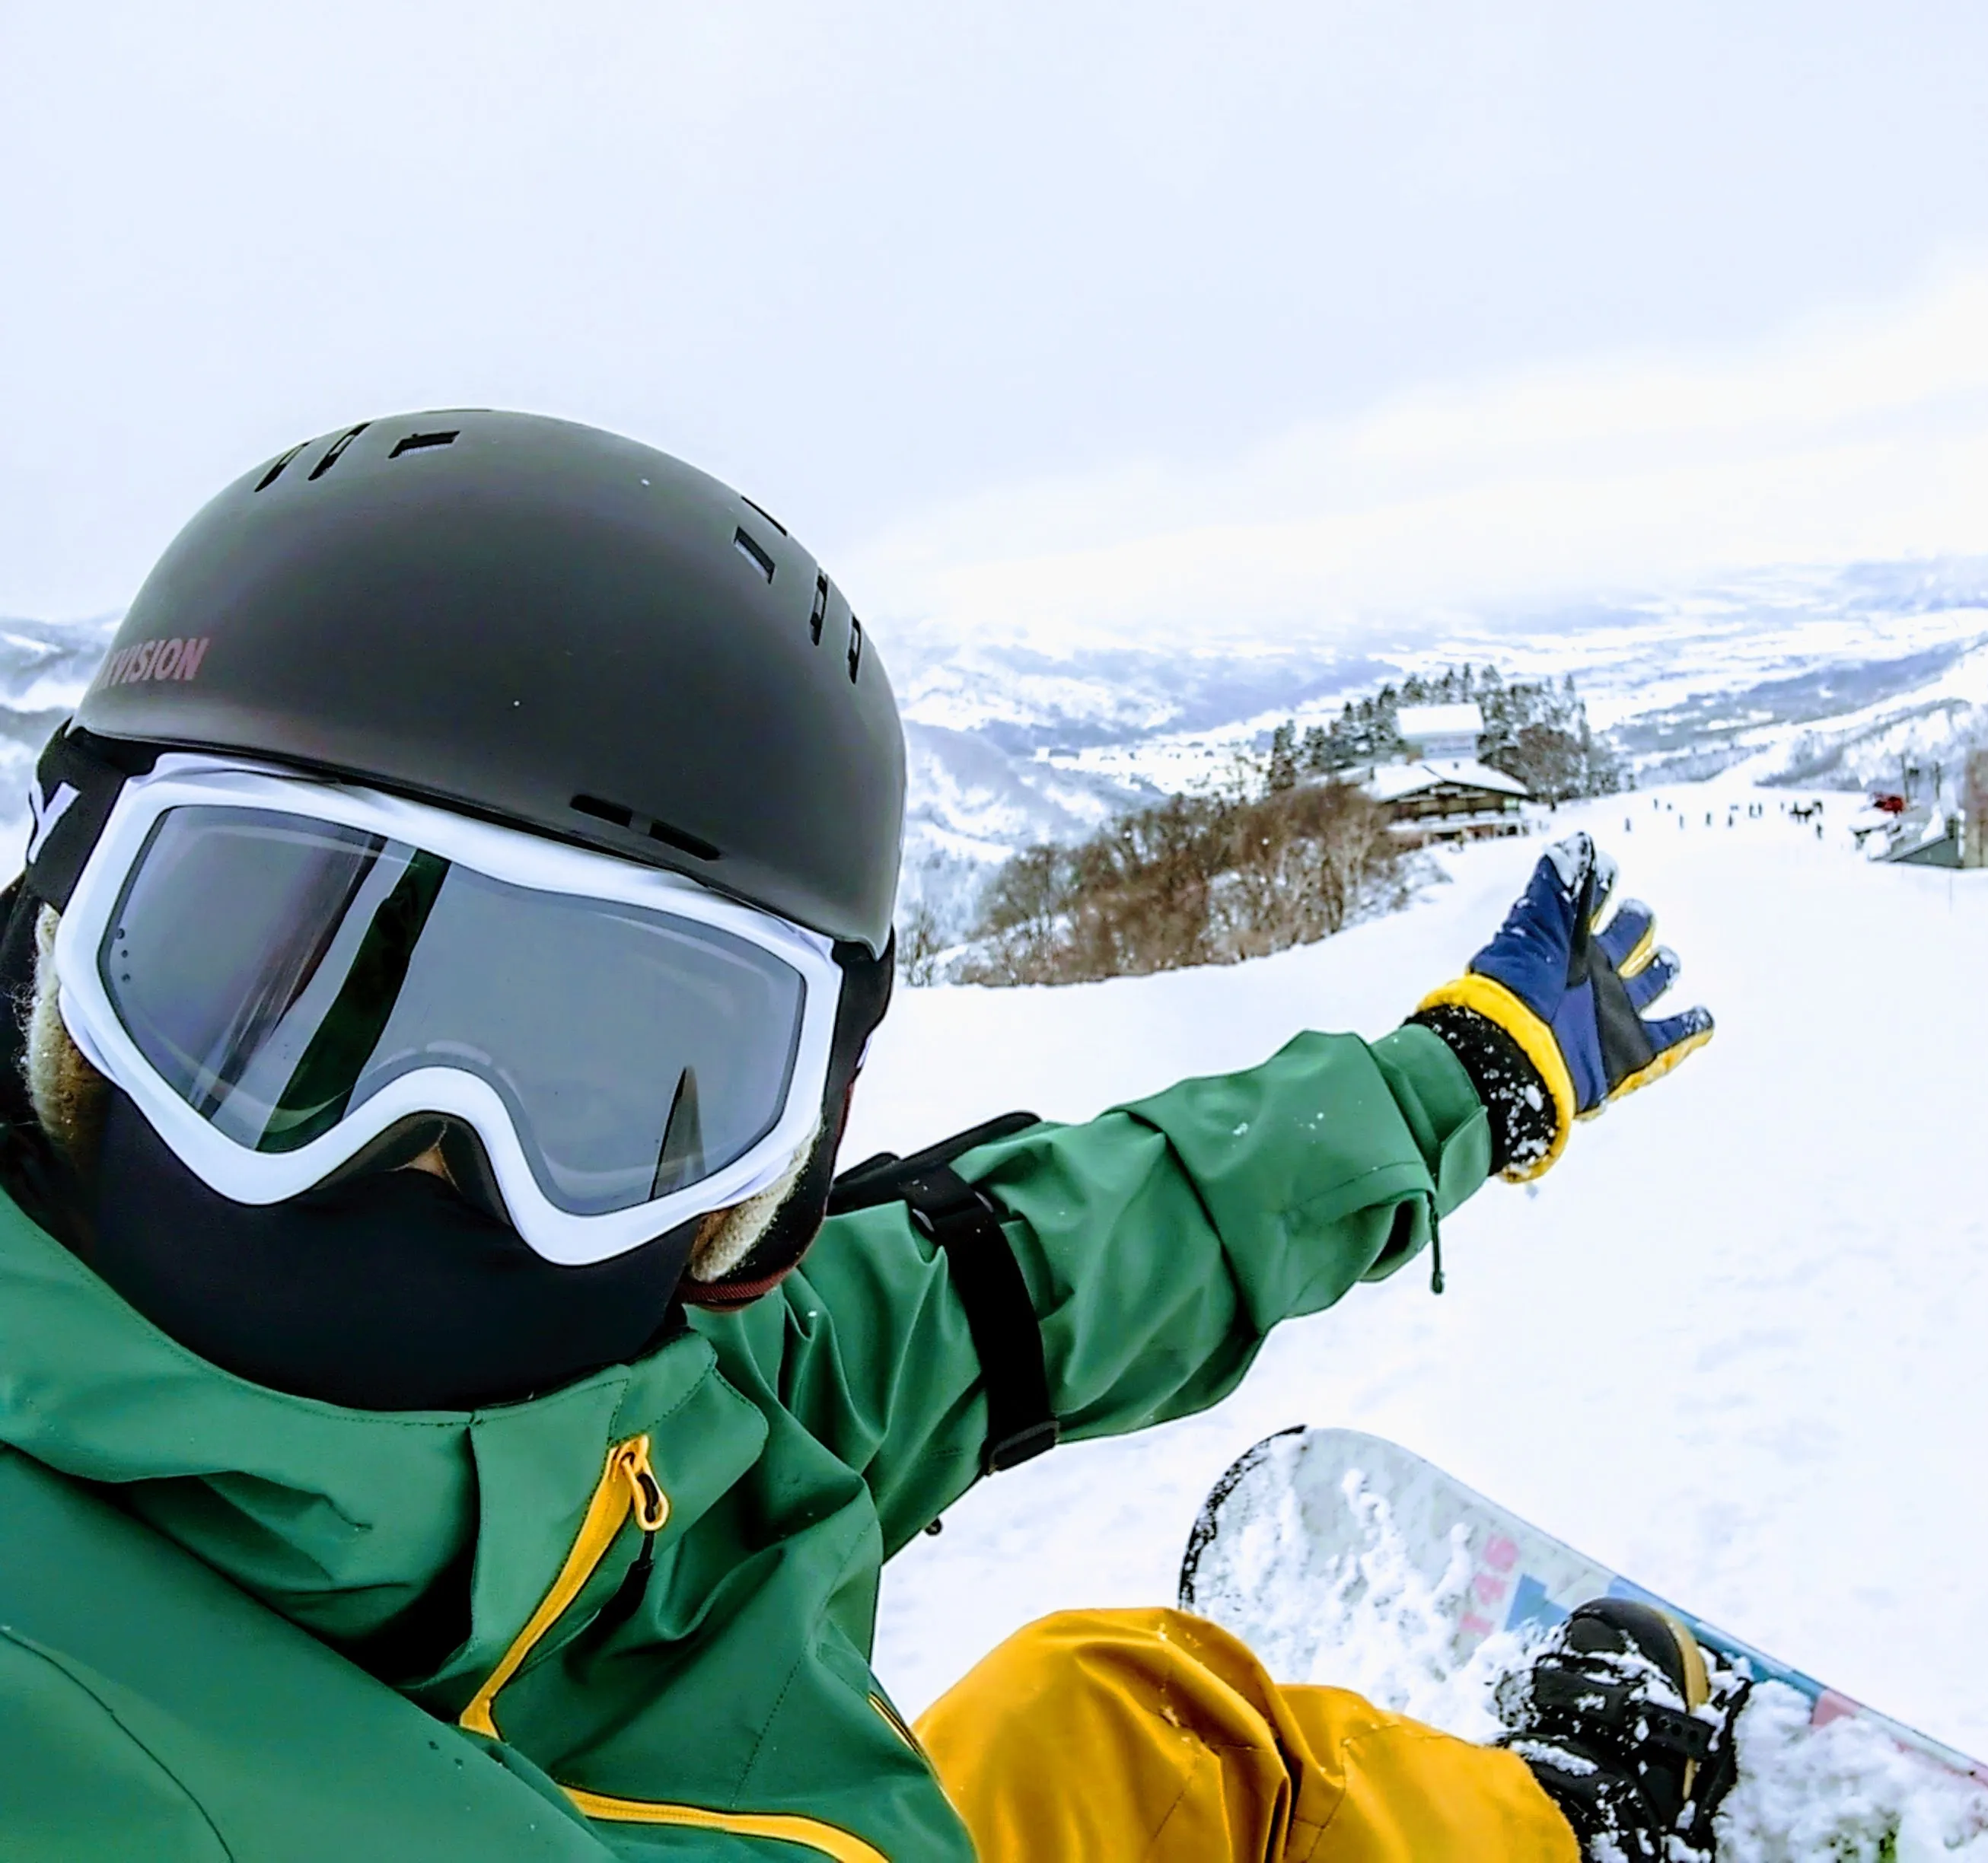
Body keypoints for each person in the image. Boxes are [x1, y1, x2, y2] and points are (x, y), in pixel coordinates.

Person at [0, 412, 1720, 1862]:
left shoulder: (645, 1434)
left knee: (1134, 1733)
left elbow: (1003, 1284)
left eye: (612, 1083)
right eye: (271, 1007)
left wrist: (1461, 1082)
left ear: (765, 1185)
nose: (426, 1155)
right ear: (56, 941)